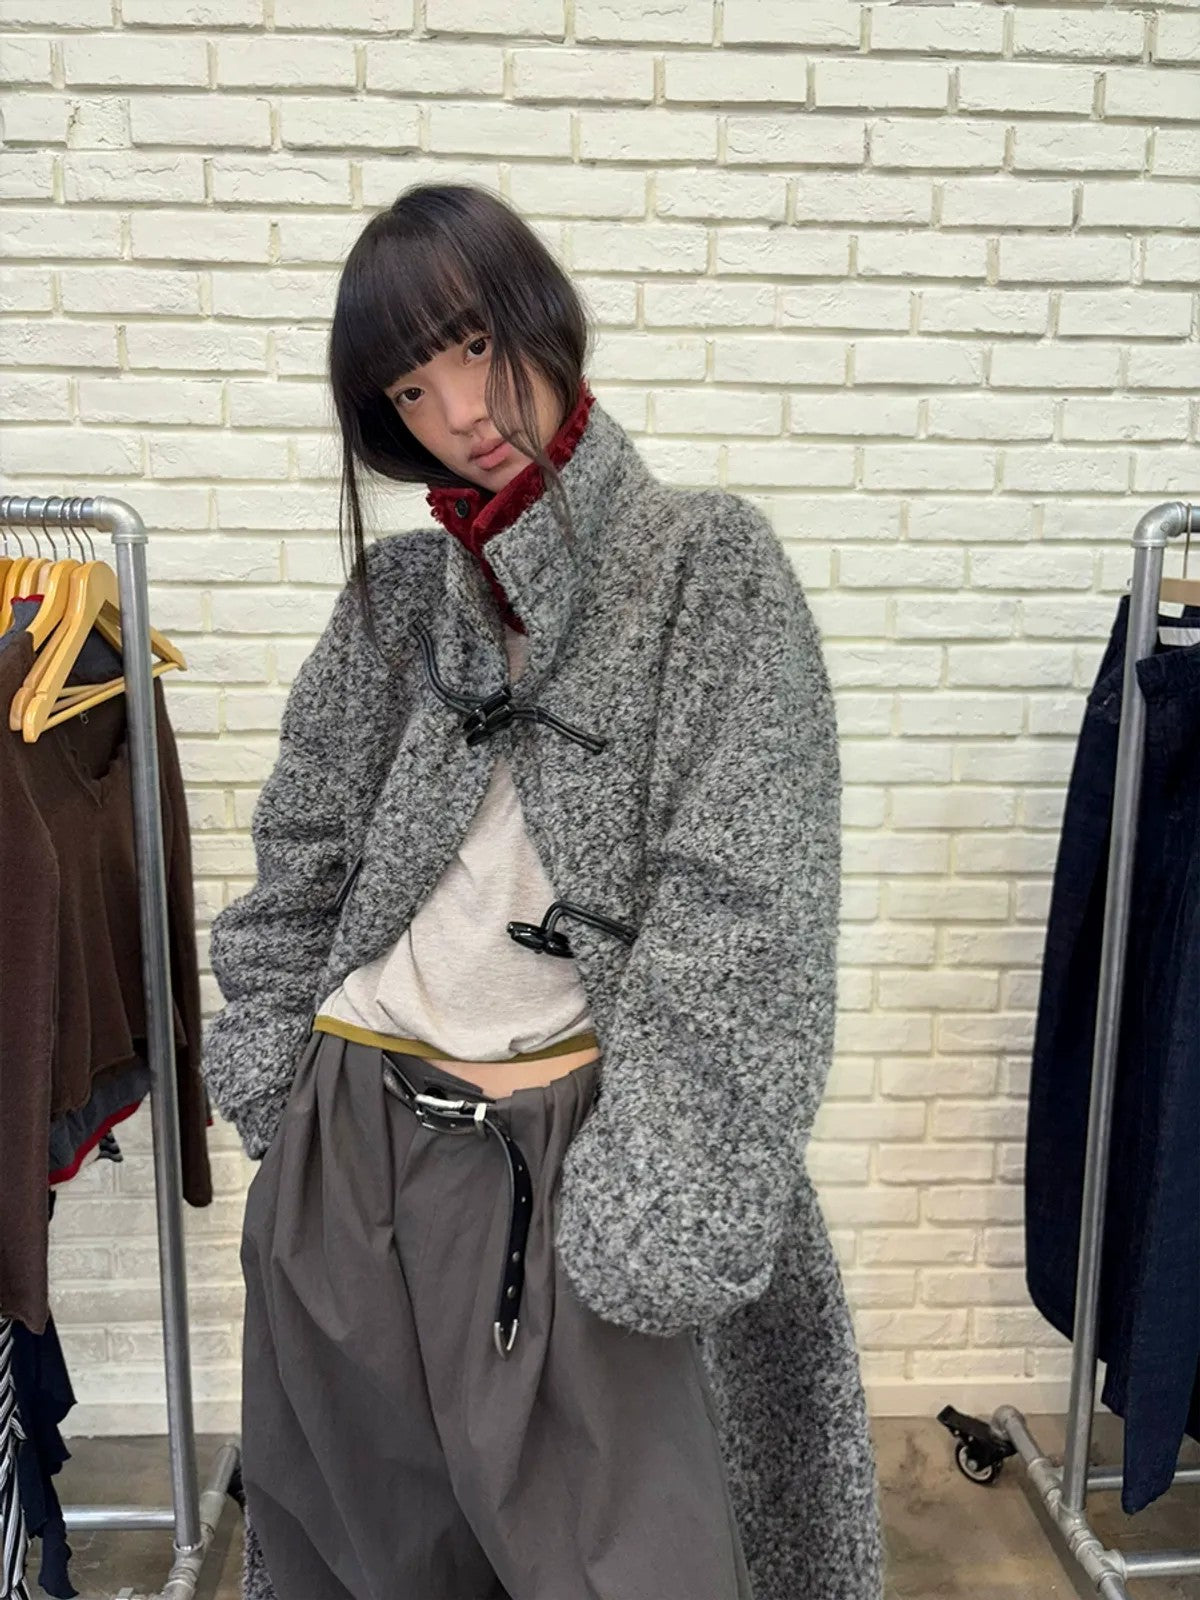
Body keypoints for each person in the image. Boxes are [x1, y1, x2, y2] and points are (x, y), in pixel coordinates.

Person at [203, 181, 884, 1600]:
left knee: (631, 1564)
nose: (460, 411)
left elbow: (747, 916)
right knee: (360, 1560)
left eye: (473, 343)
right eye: (411, 386)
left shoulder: (706, 568)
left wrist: (664, 1203)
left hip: (581, 1164)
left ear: (543, 316)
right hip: (349, 1145)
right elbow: (298, 855)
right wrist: (272, 1072)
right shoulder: (399, 603)